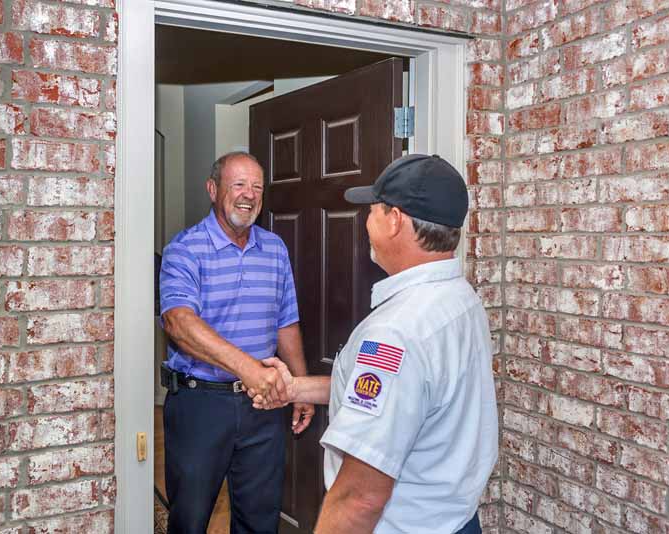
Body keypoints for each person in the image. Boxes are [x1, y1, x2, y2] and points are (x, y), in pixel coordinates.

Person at [250, 154, 498, 534]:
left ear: (395, 220)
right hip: (455, 521)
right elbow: (408, 398)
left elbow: (361, 497)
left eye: (372, 211)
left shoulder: (396, 332)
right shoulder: (459, 298)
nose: (366, 223)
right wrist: (296, 388)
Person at [158, 151, 314, 534]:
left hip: (263, 407)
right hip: (200, 405)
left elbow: (286, 323)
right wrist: (249, 368)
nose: (249, 195)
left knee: (260, 522)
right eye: (238, 184)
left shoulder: (275, 248)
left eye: (257, 187)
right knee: (190, 521)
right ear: (213, 189)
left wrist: (302, 387)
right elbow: (178, 323)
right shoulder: (185, 249)